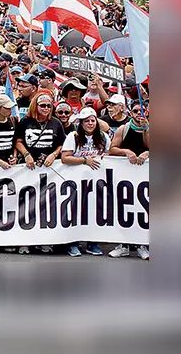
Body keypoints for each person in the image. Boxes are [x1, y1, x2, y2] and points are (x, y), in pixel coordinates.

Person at [13, 91, 65, 255]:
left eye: (49, 106)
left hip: (48, 170)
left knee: (45, 205)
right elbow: (18, 141)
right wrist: (26, 155)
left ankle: (43, 240)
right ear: (35, 105)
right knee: (26, 204)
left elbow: (62, 144)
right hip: (28, 169)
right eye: (42, 105)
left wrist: (53, 154)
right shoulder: (25, 122)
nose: (46, 108)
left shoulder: (56, 123)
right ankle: (24, 240)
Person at [60, 106, 108, 257]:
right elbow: (65, 158)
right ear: (81, 123)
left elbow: (109, 155)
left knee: (95, 212)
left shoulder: (104, 137)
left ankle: (92, 243)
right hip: (76, 181)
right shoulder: (73, 137)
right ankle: (73, 243)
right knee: (75, 211)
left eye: (93, 120)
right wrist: (84, 160)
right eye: (86, 121)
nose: (90, 123)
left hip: (96, 181)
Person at [107, 101, 150, 260]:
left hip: (145, 177)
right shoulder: (123, 129)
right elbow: (112, 149)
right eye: (136, 110)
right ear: (130, 113)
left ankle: (142, 245)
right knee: (124, 209)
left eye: (142, 111)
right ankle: (123, 245)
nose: (139, 113)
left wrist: (147, 153)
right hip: (125, 177)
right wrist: (126, 151)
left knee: (143, 210)